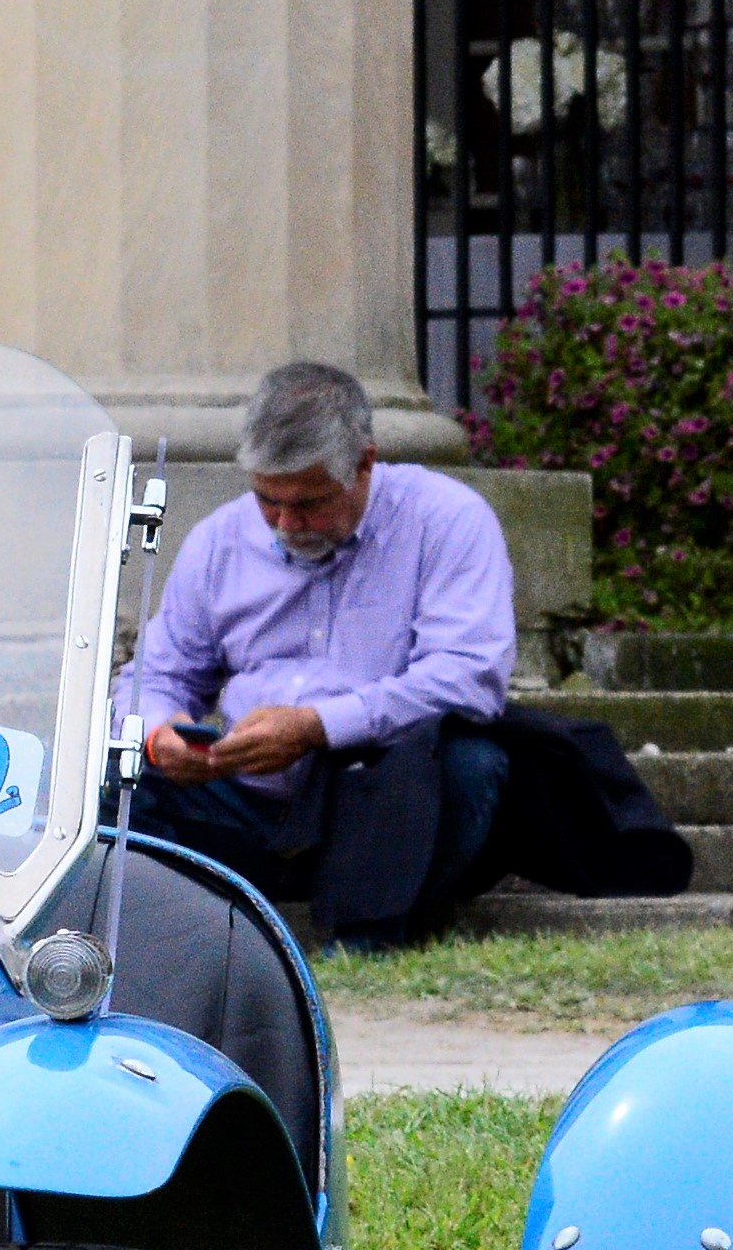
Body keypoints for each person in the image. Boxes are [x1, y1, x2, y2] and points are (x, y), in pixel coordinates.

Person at [114, 358, 516, 950]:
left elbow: (467, 676)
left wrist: (315, 727)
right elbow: (155, 673)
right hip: (250, 799)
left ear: (365, 465)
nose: (284, 522)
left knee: (467, 765)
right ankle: (175, 932)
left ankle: (369, 932)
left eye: (308, 502)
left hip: (384, 795)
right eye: (267, 499)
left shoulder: (447, 519)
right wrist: (161, 733)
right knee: (115, 776)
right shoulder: (221, 540)